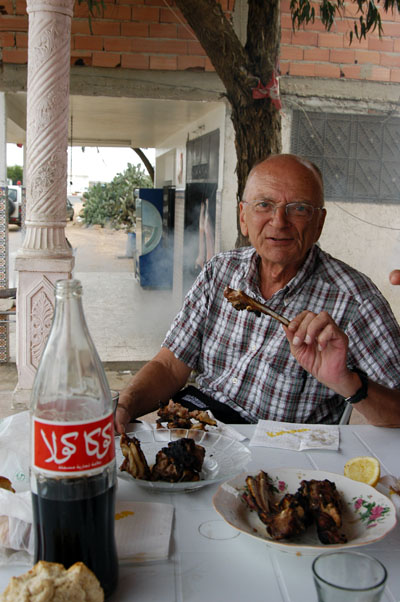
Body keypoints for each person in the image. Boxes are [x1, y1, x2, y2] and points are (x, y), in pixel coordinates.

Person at [115, 154, 400, 432]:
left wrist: (348, 382)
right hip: (198, 428)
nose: (279, 221)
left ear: (319, 224)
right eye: (264, 205)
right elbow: (169, 365)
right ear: (243, 216)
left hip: (277, 454)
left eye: (298, 208)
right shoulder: (220, 271)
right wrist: (126, 405)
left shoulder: (356, 301)